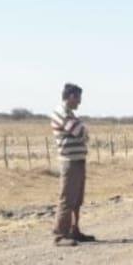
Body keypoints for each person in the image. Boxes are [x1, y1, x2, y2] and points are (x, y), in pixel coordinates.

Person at [50, 83, 94, 247]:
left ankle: (74, 230)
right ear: (71, 97)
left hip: (77, 161)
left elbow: (82, 132)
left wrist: (83, 130)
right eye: (78, 98)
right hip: (69, 161)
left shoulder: (70, 114)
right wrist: (83, 130)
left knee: (76, 199)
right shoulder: (61, 113)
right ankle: (60, 235)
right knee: (67, 199)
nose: (80, 102)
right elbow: (80, 132)